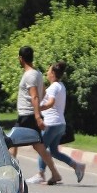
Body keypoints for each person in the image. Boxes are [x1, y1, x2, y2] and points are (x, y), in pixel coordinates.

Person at [26, 61, 86, 184]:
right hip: (60, 124)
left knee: (41, 147)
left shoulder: (53, 87)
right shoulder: (61, 86)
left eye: (48, 71)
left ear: (53, 73)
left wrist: (39, 109)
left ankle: (41, 174)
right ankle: (77, 166)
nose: (47, 73)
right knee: (54, 152)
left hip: (51, 123)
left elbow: (51, 102)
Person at [12, 46, 62, 184]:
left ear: (21, 59)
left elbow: (35, 96)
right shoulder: (37, 73)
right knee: (38, 146)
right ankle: (55, 173)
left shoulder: (30, 75)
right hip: (28, 114)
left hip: (27, 115)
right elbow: (43, 92)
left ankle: (10, 173)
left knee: (10, 142)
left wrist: (37, 116)